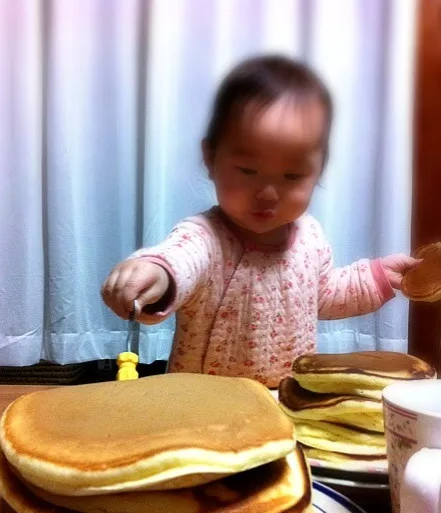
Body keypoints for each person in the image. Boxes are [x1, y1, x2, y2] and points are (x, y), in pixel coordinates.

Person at [101, 55, 418, 389]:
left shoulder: (310, 236)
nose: (268, 193)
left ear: (317, 172)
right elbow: (180, 261)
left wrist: (380, 276)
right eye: (248, 171)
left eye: (292, 175)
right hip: (204, 406)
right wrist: (155, 273)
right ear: (210, 159)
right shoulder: (205, 237)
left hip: (287, 398)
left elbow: (324, 296)